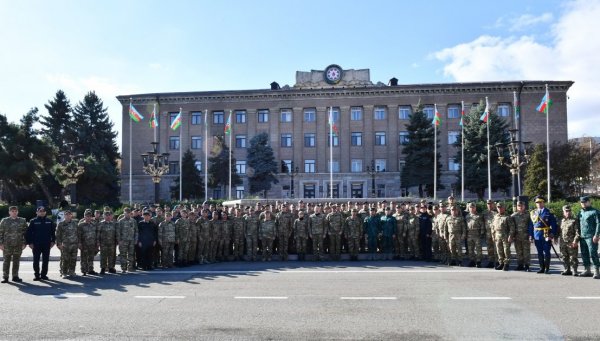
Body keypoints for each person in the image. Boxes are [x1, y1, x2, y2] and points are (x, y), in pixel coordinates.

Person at [528, 196, 557, 274]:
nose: (539, 204)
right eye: (537, 202)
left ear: (543, 202)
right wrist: (531, 235)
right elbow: (531, 225)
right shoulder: (533, 213)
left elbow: (553, 224)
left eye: (540, 202)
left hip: (546, 234)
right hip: (537, 235)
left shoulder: (549, 212)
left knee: (547, 252)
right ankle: (541, 268)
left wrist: (552, 234)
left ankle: (547, 268)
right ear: (535, 204)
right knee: (539, 252)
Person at [26, 206, 56, 281]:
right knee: (36, 260)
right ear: (37, 212)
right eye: (40, 211)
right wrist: (30, 243)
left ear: (45, 212)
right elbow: (28, 233)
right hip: (36, 244)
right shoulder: (33, 221)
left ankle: (43, 275)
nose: (42, 212)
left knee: (45, 260)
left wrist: (53, 241)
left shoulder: (49, 221)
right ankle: (37, 275)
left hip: (47, 244)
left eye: (43, 211)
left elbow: (53, 232)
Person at [0, 206, 27, 283]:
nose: (14, 212)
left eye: (15, 211)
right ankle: (5, 277)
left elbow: (25, 233)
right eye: (12, 211)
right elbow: (0, 233)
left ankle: (15, 276)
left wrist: (24, 243)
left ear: (17, 212)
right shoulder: (4, 221)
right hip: (7, 245)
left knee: (16, 261)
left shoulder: (22, 221)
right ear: (9, 212)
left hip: (18, 244)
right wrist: (1, 244)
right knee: (6, 261)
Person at [576, 196, 600, 278]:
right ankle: (587, 270)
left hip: (591, 236)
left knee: (593, 253)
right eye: (582, 202)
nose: (583, 204)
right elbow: (578, 224)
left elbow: (598, 224)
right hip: (582, 236)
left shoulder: (595, 212)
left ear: (589, 202)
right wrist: (578, 235)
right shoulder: (580, 212)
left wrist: (596, 235)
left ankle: (596, 270)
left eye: (585, 202)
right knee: (584, 253)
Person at [55, 210, 79, 277]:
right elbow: (58, 235)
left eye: (69, 214)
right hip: (65, 245)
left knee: (73, 259)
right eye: (66, 215)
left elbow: (78, 233)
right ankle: (64, 272)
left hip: (74, 244)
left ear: (71, 215)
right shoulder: (61, 224)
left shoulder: (75, 223)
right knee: (65, 259)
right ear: (64, 216)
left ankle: (72, 271)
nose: (68, 216)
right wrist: (59, 244)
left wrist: (79, 243)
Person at [493, 202, 516, 271]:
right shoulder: (495, 216)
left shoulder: (508, 217)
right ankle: (501, 263)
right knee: (499, 250)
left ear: (504, 208)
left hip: (505, 235)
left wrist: (510, 236)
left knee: (506, 250)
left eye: (501, 207)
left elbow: (512, 227)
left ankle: (506, 264)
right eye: (498, 207)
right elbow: (493, 226)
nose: (499, 209)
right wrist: (493, 235)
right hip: (497, 235)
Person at [559, 205, 579, 276]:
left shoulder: (574, 220)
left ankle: (575, 271)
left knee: (573, 257)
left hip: (571, 242)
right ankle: (567, 269)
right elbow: (560, 231)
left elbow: (578, 232)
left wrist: (575, 241)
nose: (568, 212)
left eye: (569, 211)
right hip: (563, 242)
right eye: (566, 211)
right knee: (564, 256)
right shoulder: (562, 221)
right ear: (563, 212)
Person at [511, 201, 532, 271]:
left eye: (521, 205)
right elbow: (511, 227)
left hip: (526, 236)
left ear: (524, 206)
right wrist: (511, 236)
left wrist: (530, 235)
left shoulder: (528, 215)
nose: (520, 207)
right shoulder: (513, 216)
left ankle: (527, 266)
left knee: (526, 252)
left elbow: (531, 226)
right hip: (517, 237)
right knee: (518, 252)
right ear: (517, 207)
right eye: (519, 205)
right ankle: (520, 265)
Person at [78, 209, 99, 276]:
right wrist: (79, 243)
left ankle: (90, 270)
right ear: (84, 217)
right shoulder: (81, 225)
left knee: (91, 257)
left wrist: (97, 244)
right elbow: (78, 235)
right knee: (83, 258)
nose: (88, 217)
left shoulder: (94, 225)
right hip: (84, 244)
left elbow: (96, 235)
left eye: (89, 216)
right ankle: (84, 270)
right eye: (87, 216)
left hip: (92, 244)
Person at [117, 207, 138, 273]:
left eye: (129, 213)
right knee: (123, 254)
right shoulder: (121, 221)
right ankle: (123, 268)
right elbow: (118, 232)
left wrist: (136, 239)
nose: (127, 214)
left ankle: (130, 267)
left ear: (130, 213)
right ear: (124, 213)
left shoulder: (133, 221)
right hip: (123, 241)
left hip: (131, 240)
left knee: (131, 254)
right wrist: (119, 241)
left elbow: (136, 231)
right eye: (126, 213)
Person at [464, 203, 484, 268]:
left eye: (473, 207)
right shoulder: (467, 216)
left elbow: (482, 225)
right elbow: (465, 226)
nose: (472, 209)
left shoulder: (479, 216)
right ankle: (472, 260)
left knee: (478, 249)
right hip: (469, 234)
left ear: (475, 208)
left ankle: (478, 261)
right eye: (470, 207)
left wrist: (482, 233)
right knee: (470, 249)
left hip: (477, 234)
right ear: (468, 208)